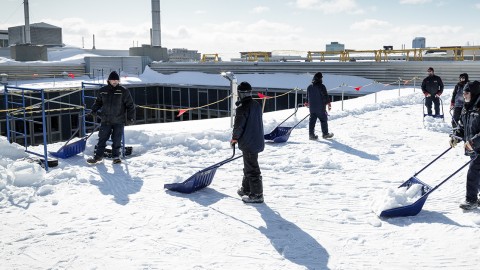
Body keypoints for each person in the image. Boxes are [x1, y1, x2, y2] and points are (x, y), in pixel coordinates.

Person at [87, 71, 136, 164]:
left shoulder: (123, 91)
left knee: (117, 139)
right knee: (102, 139)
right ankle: (98, 157)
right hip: (105, 120)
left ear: (119, 81)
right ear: (109, 80)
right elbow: (98, 102)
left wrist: (130, 118)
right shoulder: (103, 90)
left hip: (119, 120)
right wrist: (93, 110)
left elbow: (130, 105)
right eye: (113, 80)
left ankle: (116, 157)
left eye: (116, 80)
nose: (115, 81)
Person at [231, 81, 265, 203]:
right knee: (248, 165)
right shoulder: (256, 104)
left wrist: (234, 137)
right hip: (256, 140)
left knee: (252, 168)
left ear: (240, 94)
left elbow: (239, 126)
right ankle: (246, 189)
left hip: (249, 142)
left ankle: (257, 194)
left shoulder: (242, 108)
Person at [450, 80, 480, 210]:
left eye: (467, 92)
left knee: (473, 172)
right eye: (463, 92)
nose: (464, 95)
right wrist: (456, 136)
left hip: (476, 146)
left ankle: (471, 200)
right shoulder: (466, 107)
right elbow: (462, 125)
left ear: (474, 93)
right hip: (473, 147)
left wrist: (473, 142)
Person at [306, 72, 333, 140]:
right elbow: (325, 96)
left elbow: (307, 96)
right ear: (319, 78)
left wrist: (306, 102)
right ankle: (325, 134)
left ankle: (311, 135)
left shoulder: (309, 87)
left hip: (312, 108)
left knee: (312, 121)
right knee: (323, 120)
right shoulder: (321, 86)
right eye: (321, 78)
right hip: (320, 108)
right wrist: (328, 104)